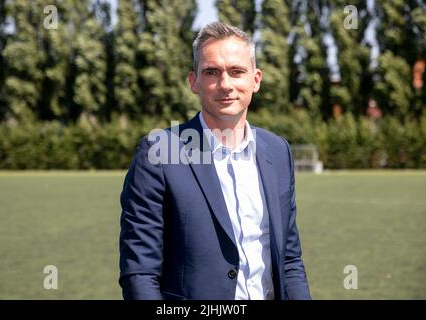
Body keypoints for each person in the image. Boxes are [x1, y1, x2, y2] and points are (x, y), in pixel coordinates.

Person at [119, 22, 311, 300]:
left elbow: (290, 260)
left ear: (255, 80)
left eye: (236, 72)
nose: (225, 85)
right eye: (211, 72)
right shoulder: (158, 152)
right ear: (193, 81)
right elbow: (140, 272)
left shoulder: (277, 151)